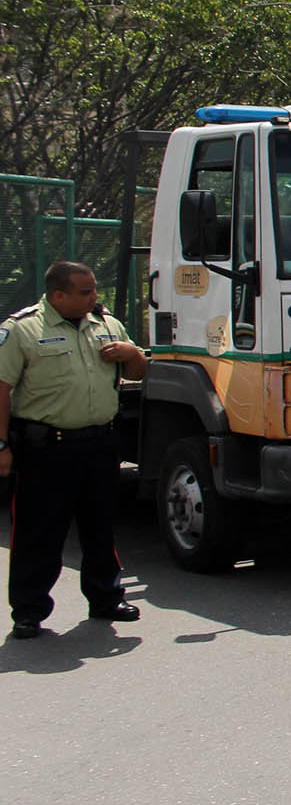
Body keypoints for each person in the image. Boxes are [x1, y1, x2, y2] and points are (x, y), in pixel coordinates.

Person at [2, 262, 148, 639]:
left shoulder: (106, 324)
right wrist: (1, 445)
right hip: (46, 449)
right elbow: (1, 389)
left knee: (99, 527)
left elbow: (139, 372)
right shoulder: (23, 329)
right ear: (58, 295)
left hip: (99, 444)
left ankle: (106, 597)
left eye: (94, 290)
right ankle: (29, 610)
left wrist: (131, 352)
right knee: (39, 531)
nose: (94, 297)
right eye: (85, 291)